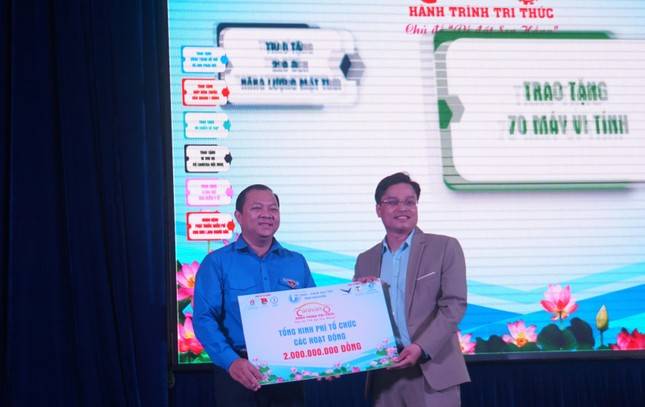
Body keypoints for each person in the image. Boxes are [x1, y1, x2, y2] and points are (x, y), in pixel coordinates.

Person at [193, 184, 316, 407]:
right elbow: (204, 319)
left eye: (273, 209)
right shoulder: (217, 262)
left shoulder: (296, 262)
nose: (267, 214)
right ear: (238, 216)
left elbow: (315, 313)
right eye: (257, 208)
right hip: (239, 372)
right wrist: (231, 362)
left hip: (289, 372)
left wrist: (326, 359)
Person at [353, 172, 470, 406]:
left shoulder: (444, 247)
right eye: (392, 202)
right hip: (384, 377)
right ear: (378, 209)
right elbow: (358, 320)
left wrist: (421, 347)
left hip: (432, 372)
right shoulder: (365, 259)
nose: (402, 208)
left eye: (410, 202)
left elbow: (454, 305)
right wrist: (358, 299)